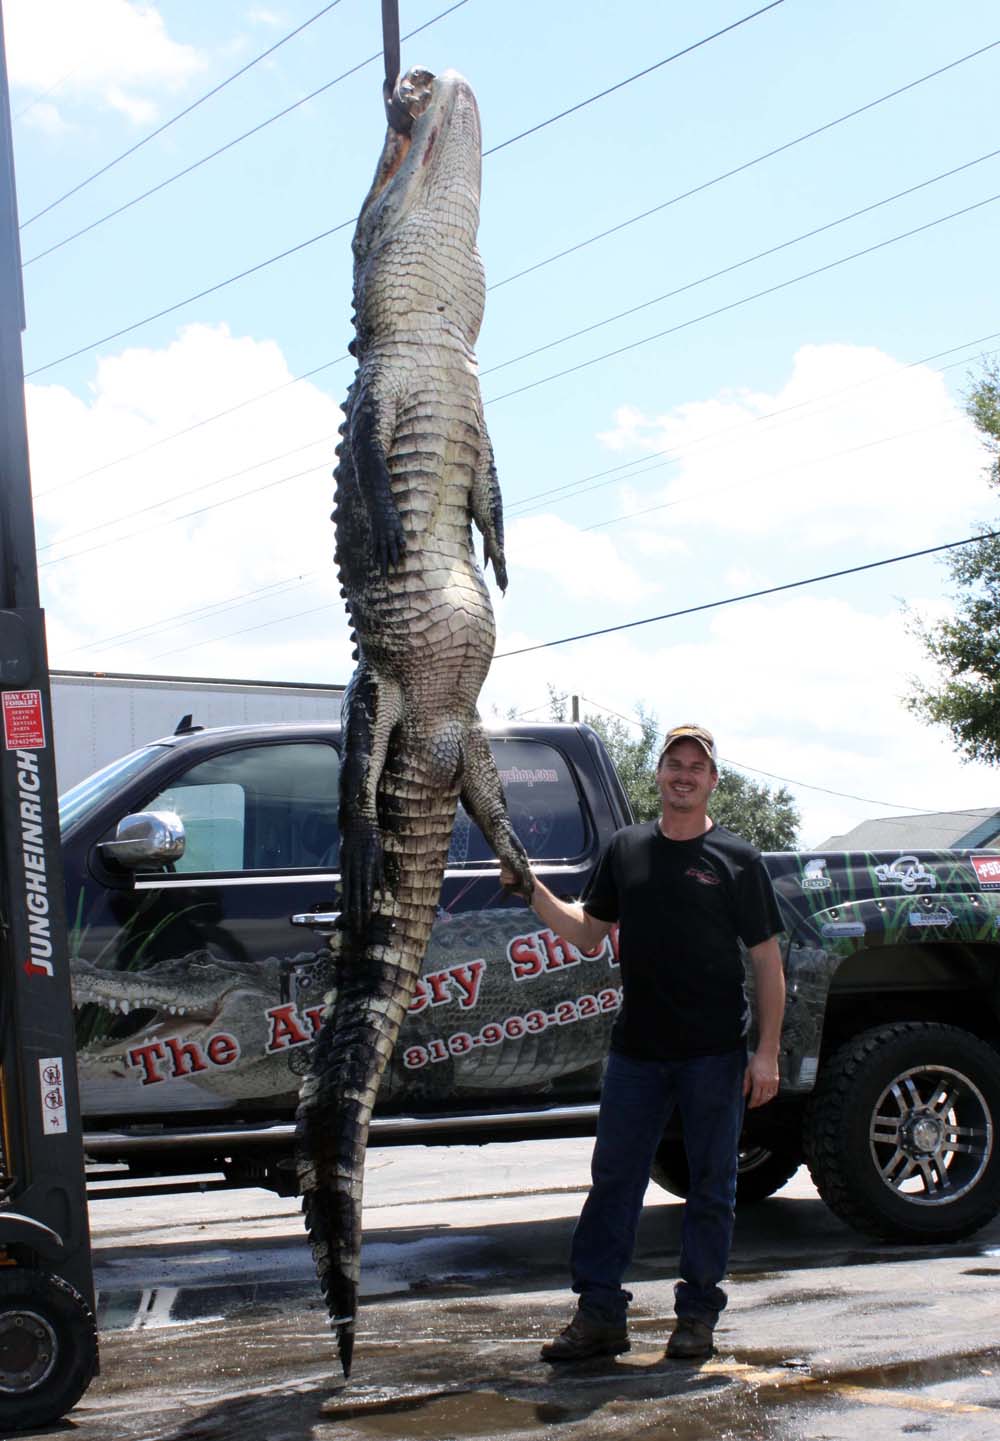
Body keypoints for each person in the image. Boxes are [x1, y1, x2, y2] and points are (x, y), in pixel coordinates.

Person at [501, 722, 786, 1363]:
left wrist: (765, 1052)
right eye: (674, 764)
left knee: (711, 1186)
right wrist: (533, 889)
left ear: (713, 781)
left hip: (715, 1053)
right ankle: (599, 1315)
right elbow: (585, 933)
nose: (684, 775)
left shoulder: (737, 861)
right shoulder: (626, 850)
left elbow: (767, 961)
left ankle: (697, 1318)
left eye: (697, 766)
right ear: (658, 774)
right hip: (637, 1054)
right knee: (614, 1184)